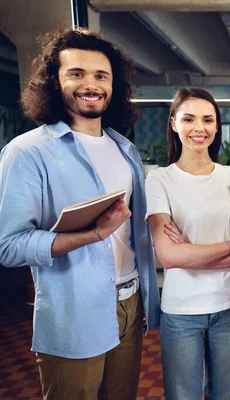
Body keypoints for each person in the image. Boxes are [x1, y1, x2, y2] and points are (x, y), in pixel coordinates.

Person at [0, 28, 160, 400]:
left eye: (101, 76)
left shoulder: (125, 149)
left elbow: (132, 232)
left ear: (113, 85)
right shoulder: (28, 152)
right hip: (74, 313)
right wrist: (92, 234)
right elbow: (7, 246)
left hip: (131, 303)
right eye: (76, 73)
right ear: (54, 83)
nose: (91, 84)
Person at [145, 87, 230, 400]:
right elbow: (169, 255)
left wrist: (192, 254)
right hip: (181, 308)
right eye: (189, 119)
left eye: (208, 120)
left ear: (216, 126)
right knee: (181, 395)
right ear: (173, 123)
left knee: (222, 395)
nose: (200, 128)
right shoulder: (159, 180)